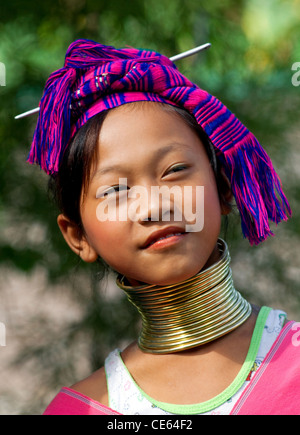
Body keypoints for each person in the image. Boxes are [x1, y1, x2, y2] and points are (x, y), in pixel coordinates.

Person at [25, 39, 299, 415]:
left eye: (174, 171)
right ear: (78, 236)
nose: (154, 206)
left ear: (222, 187)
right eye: (116, 190)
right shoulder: (80, 409)